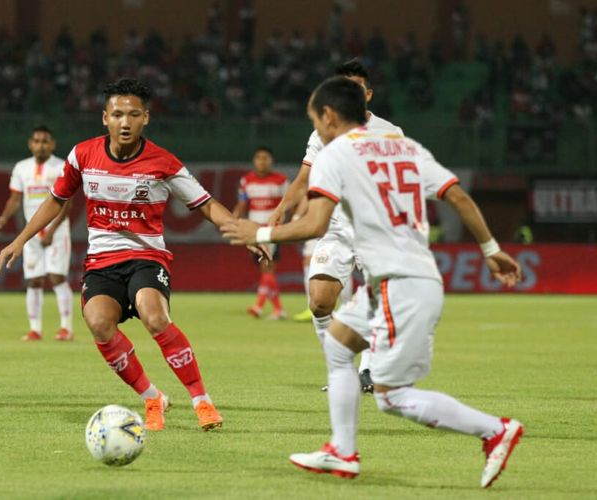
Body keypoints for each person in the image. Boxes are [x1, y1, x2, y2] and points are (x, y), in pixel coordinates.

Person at [222, 76, 524, 488]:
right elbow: (459, 197)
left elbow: (314, 223)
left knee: (392, 396)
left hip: (399, 284)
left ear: (328, 115)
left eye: (316, 118)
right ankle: (342, 452)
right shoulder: (406, 147)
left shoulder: (334, 154)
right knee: (339, 342)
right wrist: (490, 250)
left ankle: (495, 430)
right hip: (405, 277)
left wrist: (257, 233)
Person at [0, 78, 239, 432]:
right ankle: (152, 397)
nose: (125, 122)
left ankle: (202, 401)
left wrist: (245, 233)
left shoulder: (163, 162)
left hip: (146, 257)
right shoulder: (83, 155)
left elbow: (207, 204)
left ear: (146, 119)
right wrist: (19, 240)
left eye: (134, 115)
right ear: (105, 118)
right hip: (102, 263)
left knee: (154, 316)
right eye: (118, 114)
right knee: (98, 323)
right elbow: (56, 200)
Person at [269, 59, 403, 392]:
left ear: (368, 94)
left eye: (356, 87)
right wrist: (280, 210)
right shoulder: (322, 132)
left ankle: (368, 371)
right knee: (320, 301)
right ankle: (339, 368)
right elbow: (304, 177)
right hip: (335, 224)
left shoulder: (390, 132)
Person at [0, 125, 74, 342]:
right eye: (37, 141)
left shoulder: (61, 166)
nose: (41, 145)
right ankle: (35, 329)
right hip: (31, 233)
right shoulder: (21, 168)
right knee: (34, 280)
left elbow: (66, 204)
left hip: (56, 231)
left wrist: (52, 230)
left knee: (57, 277)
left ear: (52, 144)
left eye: (45, 141)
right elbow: (15, 199)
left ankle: (66, 328)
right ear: (30, 144)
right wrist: (4, 218)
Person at [232, 146, 288, 320]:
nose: (262, 161)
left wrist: (280, 227)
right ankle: (278, 309)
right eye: (259, 157)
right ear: (254, 161)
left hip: (271, 231)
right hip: (253, 231)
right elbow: (241, 206)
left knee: (267, 266)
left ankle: (259, 305)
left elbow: (285, 206)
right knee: (266, 269)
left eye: (266, 158)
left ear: (271, 161)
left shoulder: (281, 181)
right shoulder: (246, 181)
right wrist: (231, 223)